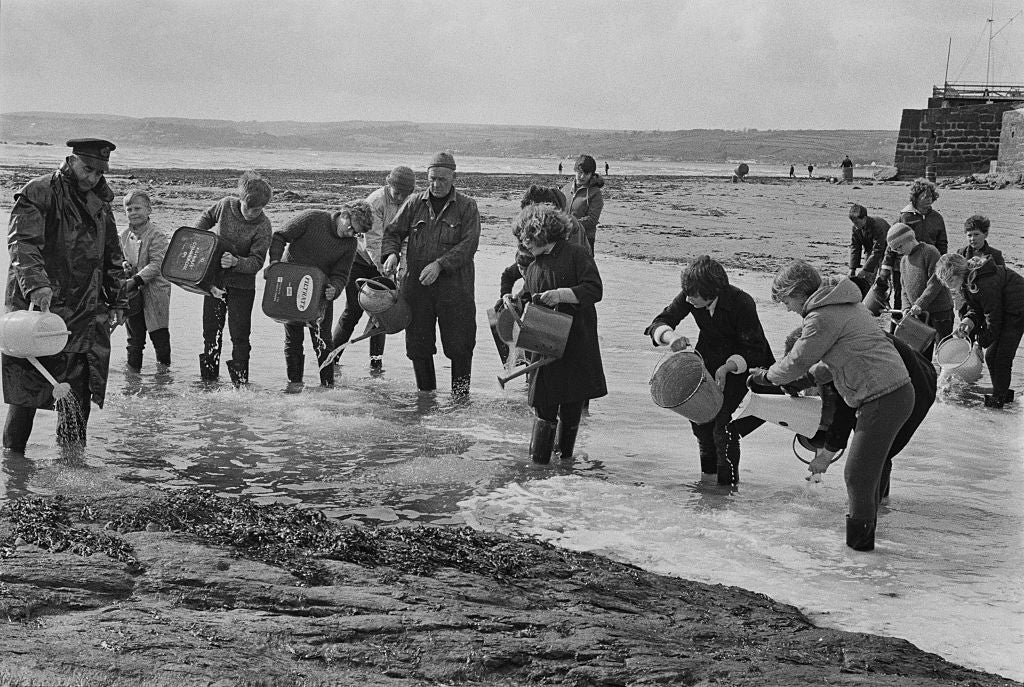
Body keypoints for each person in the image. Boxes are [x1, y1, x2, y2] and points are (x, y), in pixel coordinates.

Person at [748, 260, 915, 551]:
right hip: (897, 391)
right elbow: (833, 362)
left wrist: (764, 377)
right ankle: (869, 552)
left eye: (786, 301)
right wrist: (800, 383)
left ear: (797, 292)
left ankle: (859, 554)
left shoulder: (821, 315)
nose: (788, 308)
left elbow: (797, 360)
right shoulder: (843, 302)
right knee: (869, 475)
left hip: (883, 397)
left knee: (857, 475)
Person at [3, 138, 127, 453]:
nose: (93, 177)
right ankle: (13, 468)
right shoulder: (39, 192)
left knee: (77, 399)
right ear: (71, 161)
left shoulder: (102, 203)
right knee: (26, 394)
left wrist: (119, 301)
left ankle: (71, 469)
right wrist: (37, 284)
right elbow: (22, 244)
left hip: (85, 314)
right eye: (88, 169)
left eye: (100, 172)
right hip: (39, 312)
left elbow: (113, 257)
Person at [645, 256, 775, 485]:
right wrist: (672, 337)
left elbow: (754, 350)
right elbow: (660, 322)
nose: (687, 299)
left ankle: (727, 486)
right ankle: (708, 482)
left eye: (692, 296)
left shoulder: (741, 302)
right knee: (700, 420)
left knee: (722, 426)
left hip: (745, 365)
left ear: (711, 291)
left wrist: (727, 368)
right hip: (710, 359)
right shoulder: (691, 294)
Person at [380, 152, 480, 396]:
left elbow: (469, 245)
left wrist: (440, 265)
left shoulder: (468, 206)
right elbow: (392, 233)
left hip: (456, 290)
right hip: (417, 289)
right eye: (432, 179)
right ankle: (426, 400)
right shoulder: (414, 203)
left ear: (454, 178)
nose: (436, 185)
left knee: (460, 346)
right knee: (418, 347)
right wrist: (391, 255)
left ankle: (460, 401)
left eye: (442, 180)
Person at [514, 205, 606, 463]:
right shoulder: (534, 266)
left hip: (577, 341)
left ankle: (564, 460)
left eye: (526, 236)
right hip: (543, 344)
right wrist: (514, 299)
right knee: (543, 405)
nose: (523, 242)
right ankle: (540, 464)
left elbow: (594, 290)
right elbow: (528, 297)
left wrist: (561, 295)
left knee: (571, 404)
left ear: (542, 233)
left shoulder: (577, 255)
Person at [268, 201, 368, 388]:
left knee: (323, 341)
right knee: (293, 339)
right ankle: (294, 384)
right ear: (344, 215)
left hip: (320, 294)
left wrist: (335, 290)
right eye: (351, 229)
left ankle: (328, 387)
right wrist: (275, 264)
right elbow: (280, 236)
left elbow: (341, 275)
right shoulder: (313, 217)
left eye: (357, 233)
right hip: (291, 284)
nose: (351, 234)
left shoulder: (350, 244)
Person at [332, 166, 416, 373]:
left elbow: (407, 241)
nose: (400, 197)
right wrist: (385, 270)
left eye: (405, 194)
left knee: (381, 313)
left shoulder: (411, 203)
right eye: (397, 192)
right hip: (361, 261)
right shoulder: (376, 201)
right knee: (352, 311)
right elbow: (373, 241)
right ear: (389, 184)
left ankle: (376, 365)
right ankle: (331, 358)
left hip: (389, 262)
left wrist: (401, 270)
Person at [194, 170, 273, 386]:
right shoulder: (225, 205)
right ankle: (208, 382)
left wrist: (237, 262)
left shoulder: (264, 227)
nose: (251, 213)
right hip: (215, 282)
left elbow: (257, 262)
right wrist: (197, 237)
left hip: (243, 287)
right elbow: (206, 217)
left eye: (257, 209)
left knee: (240, 337)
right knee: (211, 332)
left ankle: (240, 385)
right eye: (248, 207)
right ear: (240, 199)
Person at [936, 253, 1024, 409]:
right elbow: (976, 307)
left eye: (950, 280)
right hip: (1003, 311)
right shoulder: (968, 281)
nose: (948, 286)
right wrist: (968, 321)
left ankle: (998, 400)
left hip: (1017, 311)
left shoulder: (983, 282)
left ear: (958, 273)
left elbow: (993, 321)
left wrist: (979, 343)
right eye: (945, 282)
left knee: (1002, 357)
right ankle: (1002, 394)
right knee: (991, 357)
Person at [119, 189, 172, 372]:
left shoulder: (157, 234)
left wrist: (136, 279)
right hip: (133, 294)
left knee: (159, 337)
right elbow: (119, 257)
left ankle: (163, 375)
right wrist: (124, 264)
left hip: (155, 292)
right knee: (134, 340)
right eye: (129, 209)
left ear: (149, 210)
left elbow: (158, 264)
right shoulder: (124, 235)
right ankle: (132, 376)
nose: (133, 212)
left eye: (137, 208)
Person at [877, 177, 947, 310]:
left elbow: (942, 243)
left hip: (929, 265)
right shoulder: (905, 217)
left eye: (931, 196)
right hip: (902, 266)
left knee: (926, 297)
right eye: (924, 196)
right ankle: (897, 329)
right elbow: (892, 244)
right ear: (915, 197)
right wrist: (885, 268)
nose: (928, 199)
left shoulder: (937, 218)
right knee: (901, 299)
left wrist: (943, 263)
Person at [886, 222, 954, 359]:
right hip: (920, 315)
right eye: (895, 250)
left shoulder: (930, 252)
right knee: (921, 355)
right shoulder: (904, 261)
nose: (898, 251)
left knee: (944, 351)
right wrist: (906, 307)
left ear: (910, 239)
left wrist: (920, 303)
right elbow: (904, 288)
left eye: (899, 247)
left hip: (940, 312)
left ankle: (946, 379)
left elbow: (935, 282)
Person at [562, 154, 605, 253]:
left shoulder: (595, 193)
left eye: (586, 174)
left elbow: (592, 220)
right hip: (564, 239)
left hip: (585, 239)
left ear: (591, 174)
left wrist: (569, 225)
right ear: (575, 170)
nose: (582, 176)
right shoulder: (566, 189)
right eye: (580, 172)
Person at [847, 204, 890, 281]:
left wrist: (865, 270)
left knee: (883, 277)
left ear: (864, 218)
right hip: (871, 249)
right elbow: (855, 247)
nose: (855, 226)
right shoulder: (856, 228)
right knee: (867, 278)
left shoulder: (877, 226)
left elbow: (878, 250)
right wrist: (852, 268)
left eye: (857, 222)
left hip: (886, 250)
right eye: (854, 223)